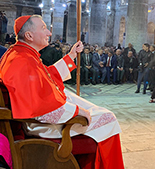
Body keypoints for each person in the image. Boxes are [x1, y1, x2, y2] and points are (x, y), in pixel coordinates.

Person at [0, 15, 124, 169]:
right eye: (44, 28)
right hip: (39, 125)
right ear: (29, 35)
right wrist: (78, 111)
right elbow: (41, 108)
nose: (49, 33)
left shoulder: (20, 53)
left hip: (37, 119)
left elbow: (47, 75)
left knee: (93, 110)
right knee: (109, 119)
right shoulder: (22, 60)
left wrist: (71, 55)